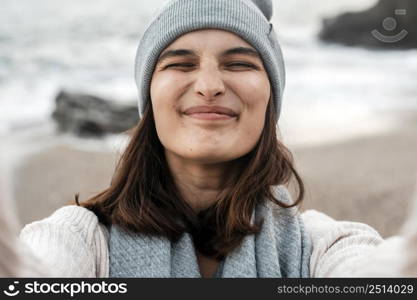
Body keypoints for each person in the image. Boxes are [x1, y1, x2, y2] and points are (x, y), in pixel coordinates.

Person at [13, 0, 417, 278]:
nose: (208, 86)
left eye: (239, 63)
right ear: (149, 96)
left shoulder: (320, 248)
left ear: (270, 97)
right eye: (180, 63)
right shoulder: (81, 240)